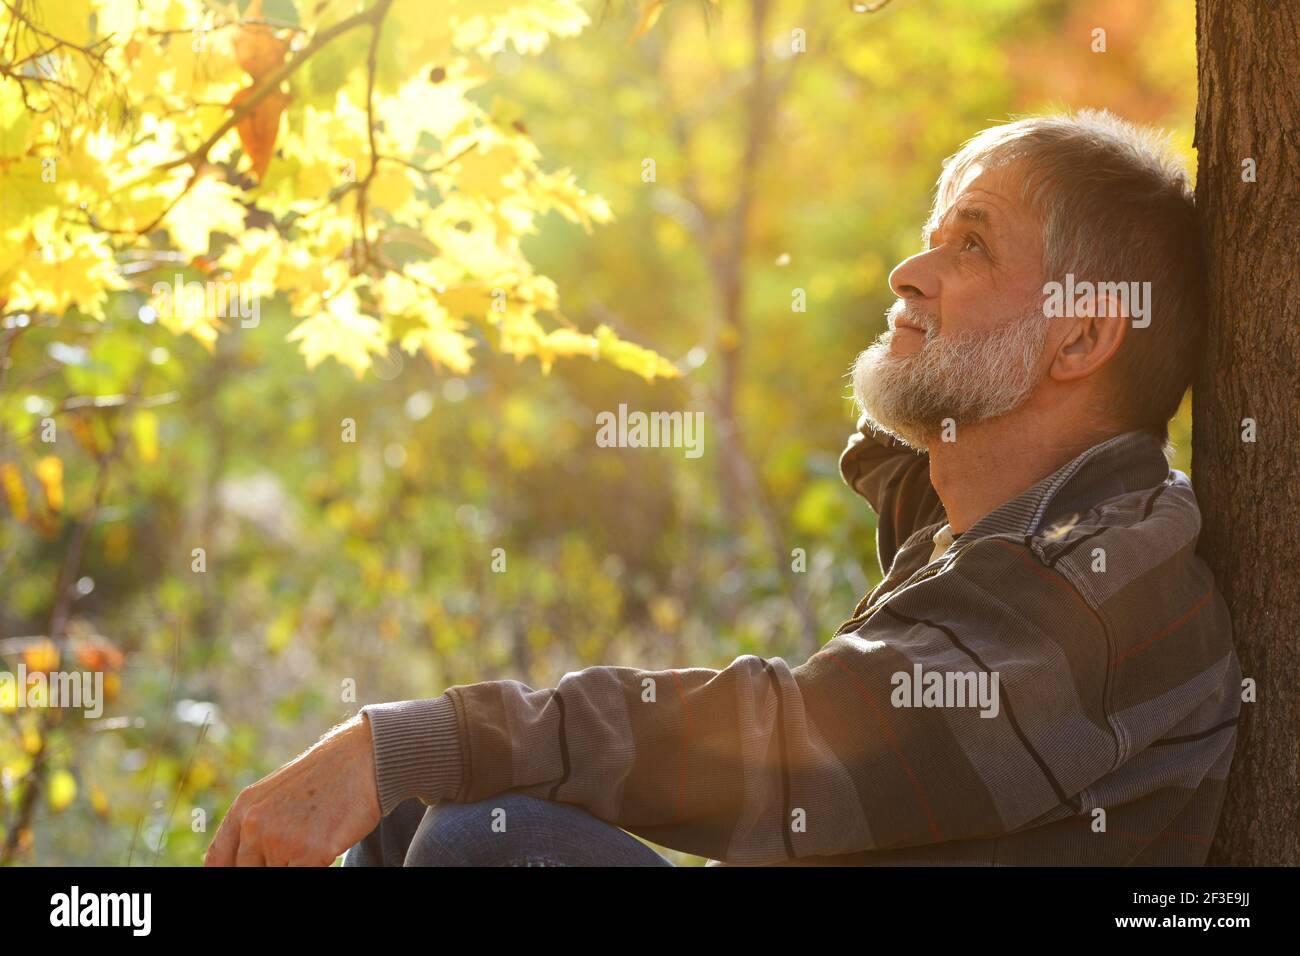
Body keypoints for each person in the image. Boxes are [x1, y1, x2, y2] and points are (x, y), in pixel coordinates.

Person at [205, 109, 1241, 867]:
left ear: (1085, 333)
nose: (907, 271)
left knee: (489, 838)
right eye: (931, 233)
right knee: (419, 806)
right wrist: (416, 759)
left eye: (969, 244)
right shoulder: (994, 532)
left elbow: (792, 743)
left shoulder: (1106, 581)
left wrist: (405, 736)